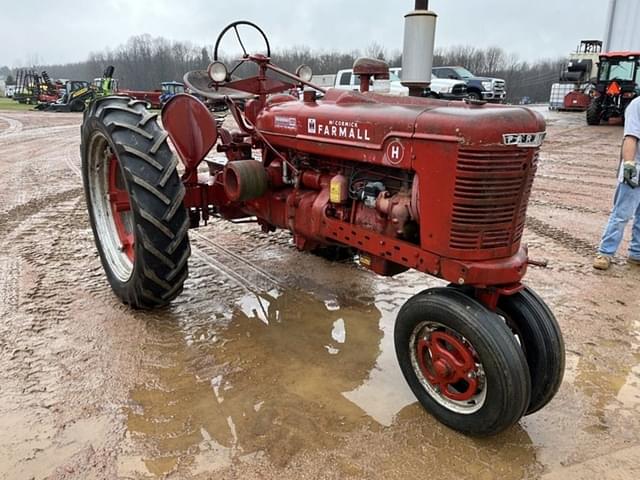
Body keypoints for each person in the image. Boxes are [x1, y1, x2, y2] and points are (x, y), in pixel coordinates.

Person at [593, 96, 640, 270]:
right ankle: (605, 253)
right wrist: (629, 163)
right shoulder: (637, 105)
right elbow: (631, 137)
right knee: (622, 214)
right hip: (636, 168)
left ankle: (637, 254)